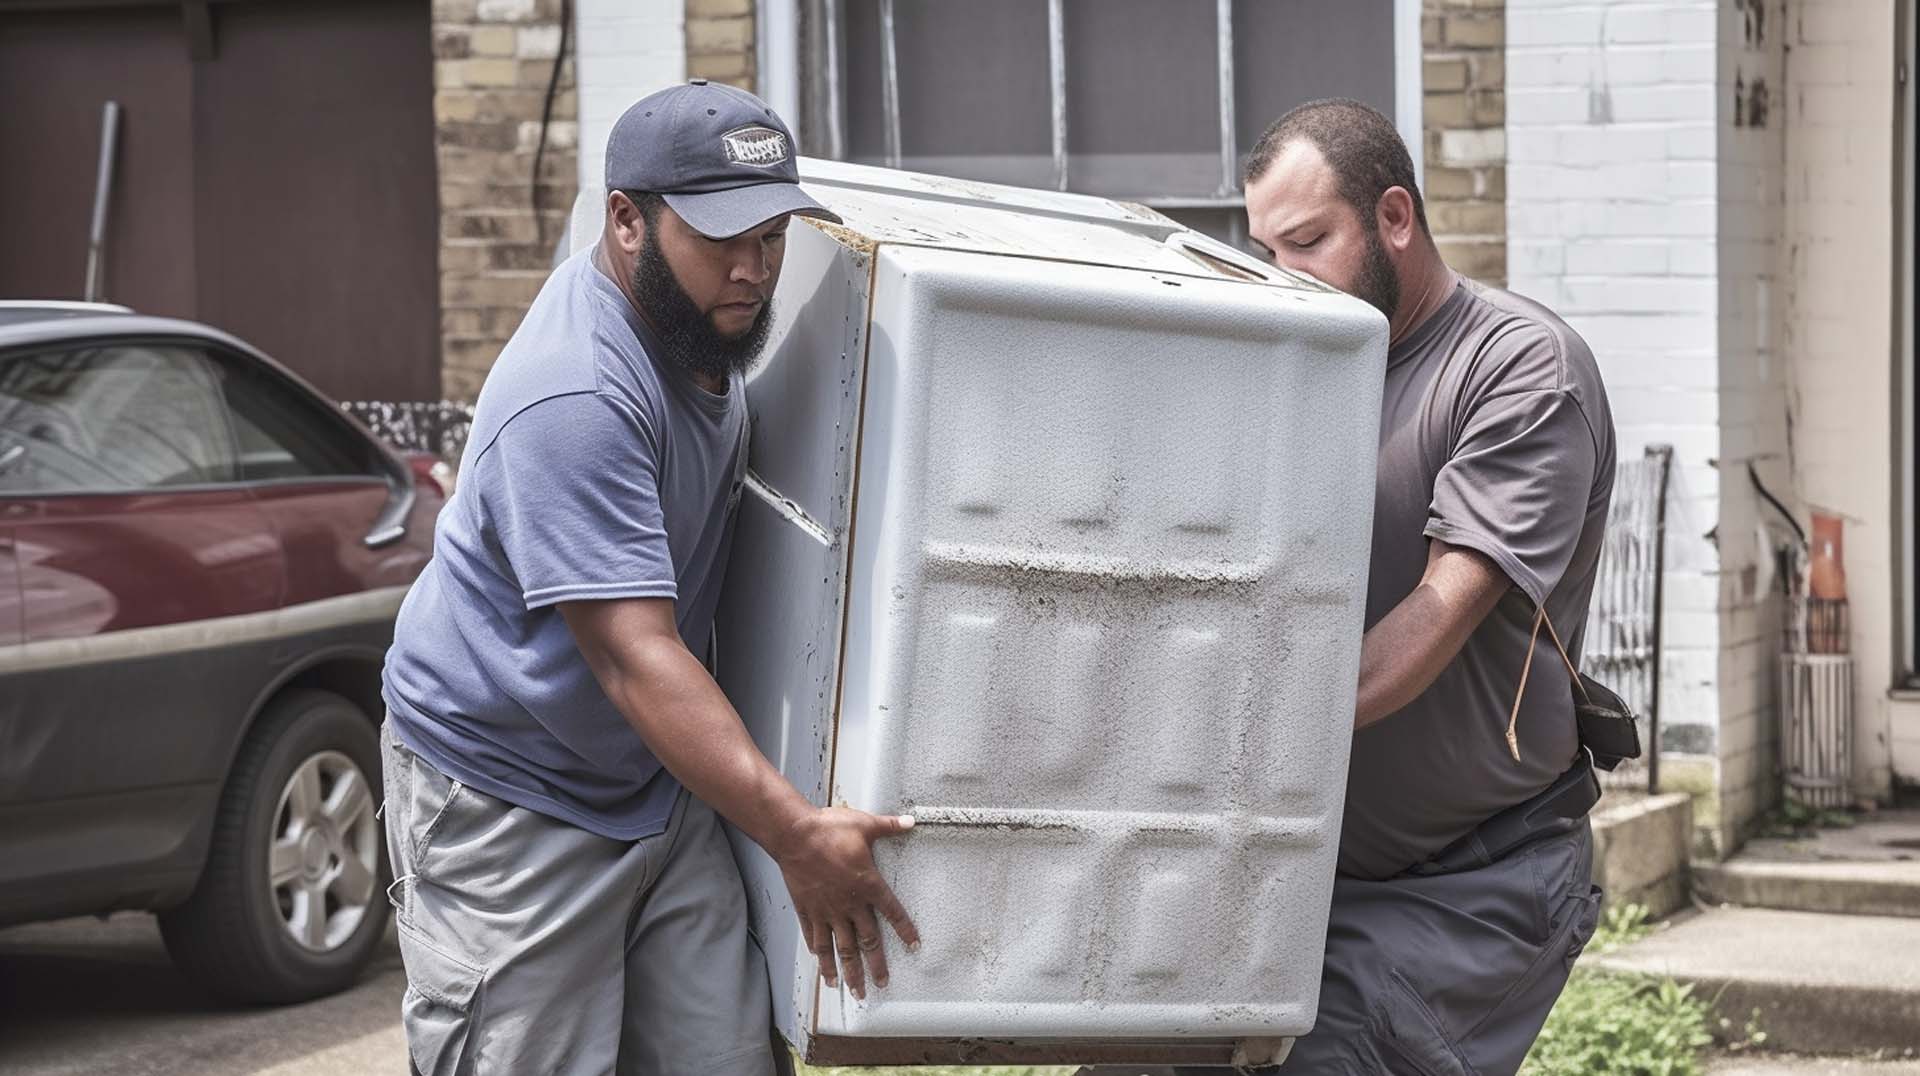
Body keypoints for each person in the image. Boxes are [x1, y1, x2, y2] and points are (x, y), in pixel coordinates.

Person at [378, 80, 918, 1075]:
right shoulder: (576, 391)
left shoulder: (697, 327)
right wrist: (796, 831)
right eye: (723, 239)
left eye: (770, 236)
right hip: (514, 793)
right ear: (626, 221)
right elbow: (634, 657)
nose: (754, 269)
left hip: (653, 782)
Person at [1092, 99, 1617, 1075]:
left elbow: (1431, 620)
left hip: (1470, 883)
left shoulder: (1518, 370)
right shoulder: (1298, 374)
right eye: (1264, 247)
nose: (1279, 275)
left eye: (1307, 242)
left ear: (1395, 218)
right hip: (1294, 867)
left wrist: (1230, 722)